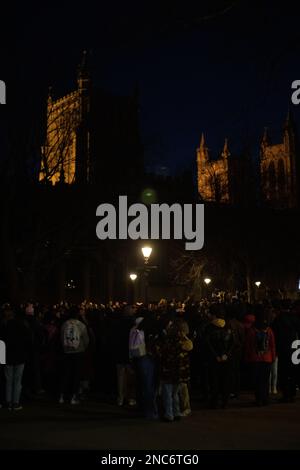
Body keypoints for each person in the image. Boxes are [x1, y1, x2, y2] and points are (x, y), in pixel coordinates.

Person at [156, 320, 193, 422]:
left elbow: (161, 354)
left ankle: (169, 414)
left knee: (168, 393)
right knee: (175, 393)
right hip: (180, 372)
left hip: (168, 371)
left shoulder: (168, 341)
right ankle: (176, 412)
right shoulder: (184, 341)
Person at [1, 307, 32, 410]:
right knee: (17, 381)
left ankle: (8, 402)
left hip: (7, 356)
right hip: (20, 356)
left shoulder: (5, 326)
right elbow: (28, 341)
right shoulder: (22, 326)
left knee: (8, 380)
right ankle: (15, 402)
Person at [59, 306, 89, 405]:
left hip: (66, 352)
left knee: (65, 374)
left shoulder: (64, 324)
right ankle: (73, 397)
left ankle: (62, 395)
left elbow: (61, 338)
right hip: (78, 352)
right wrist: (83, 348)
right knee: (76, 375)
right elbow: (86, 340)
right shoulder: (81, 325)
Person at [245, 316, 276, 406]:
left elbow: (248, 346)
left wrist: (247, 357)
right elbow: (272, 345)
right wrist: (273, 357)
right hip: (267, 358)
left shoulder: (252, 331)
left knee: (257, 380)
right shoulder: (269, 330)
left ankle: (258, 399)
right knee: (265, 380)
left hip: (255, 358)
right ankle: (265, 399)